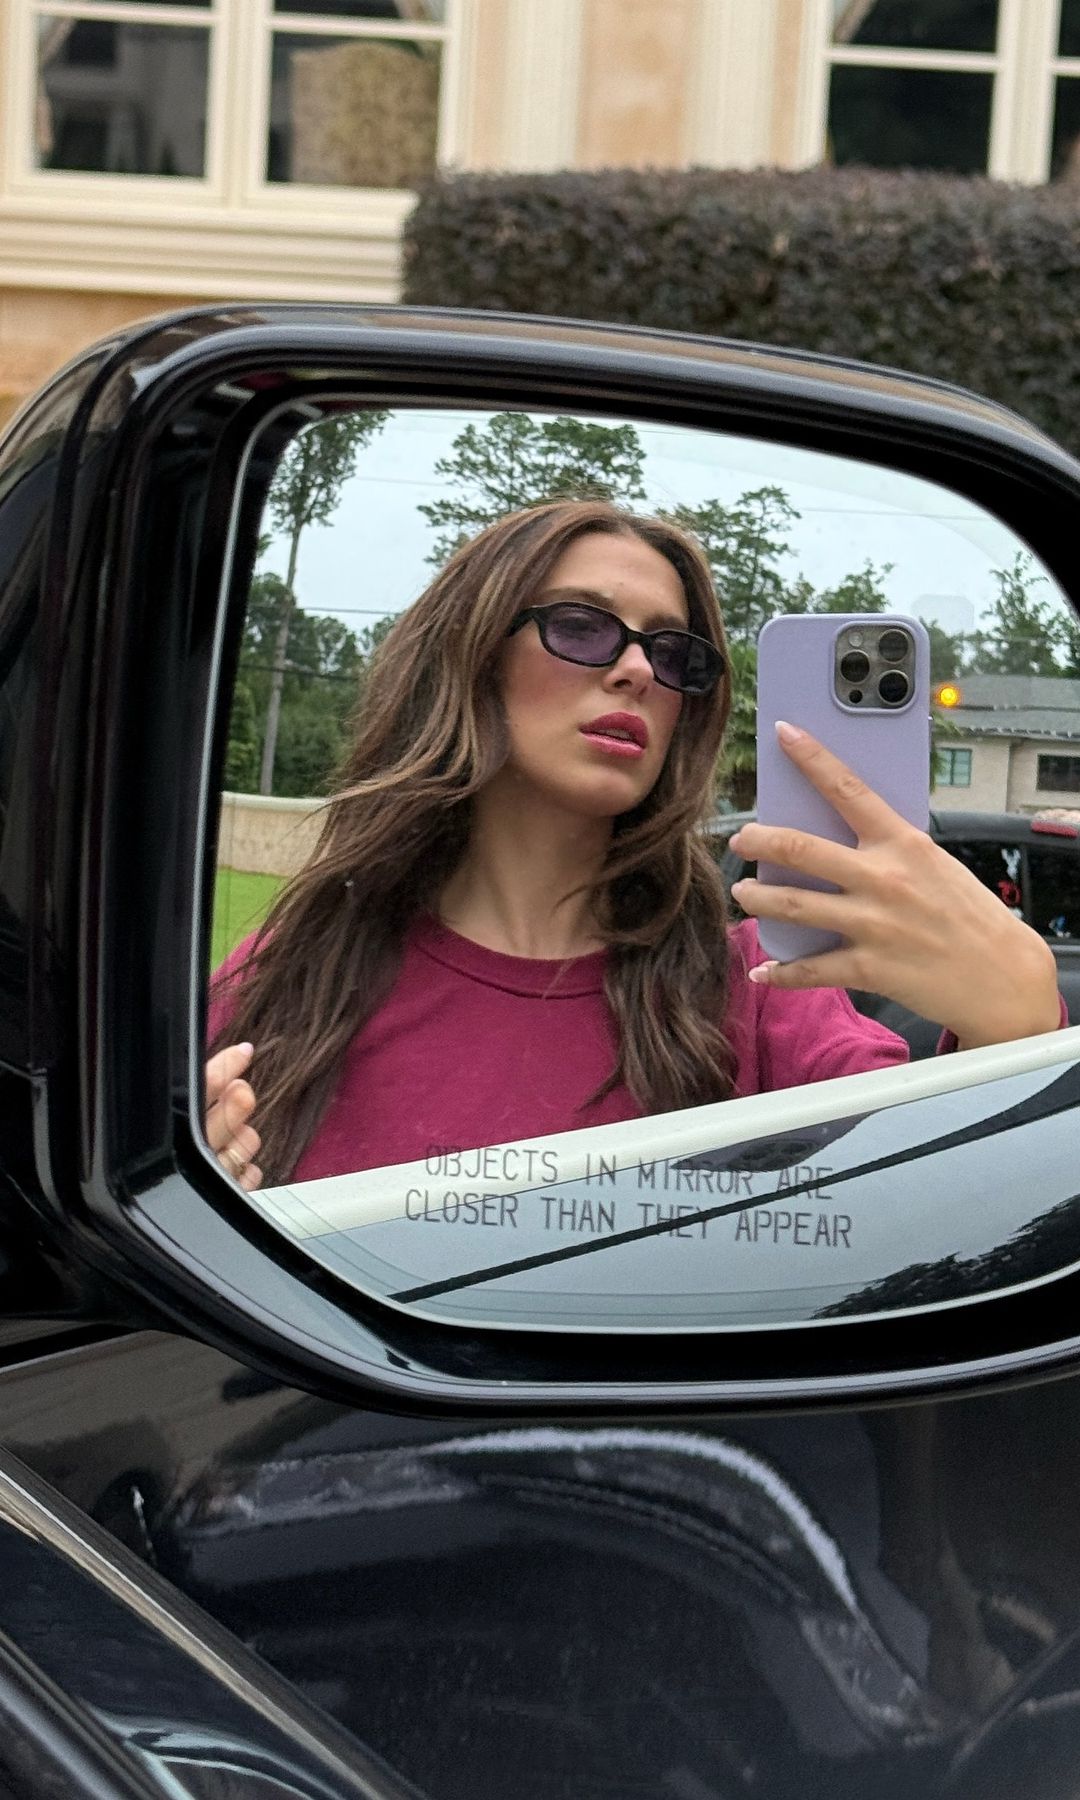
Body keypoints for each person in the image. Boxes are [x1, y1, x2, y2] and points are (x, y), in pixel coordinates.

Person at [206, 499, 1062, 1192]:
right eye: (582, 627)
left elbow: (917, 1203)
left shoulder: (763, 988)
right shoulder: (289, 982)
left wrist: (1019, 1033)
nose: (639, 672)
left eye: (673, 651)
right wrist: (197, 1184)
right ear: (469, 656)